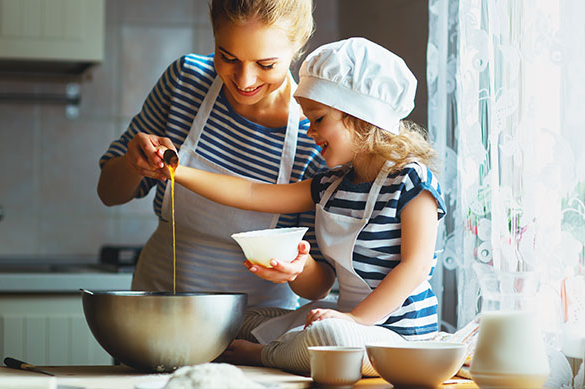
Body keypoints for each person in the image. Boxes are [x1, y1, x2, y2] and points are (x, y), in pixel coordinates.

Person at [165, 37, 446, 376]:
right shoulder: (331, 185)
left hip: (399, 340)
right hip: (346, 321)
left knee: (331, 335)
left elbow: (414, 267)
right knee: (244, 317)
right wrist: (176, 171)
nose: (310, 131)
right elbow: (253, 193)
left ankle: (263, 355)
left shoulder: (412, 181)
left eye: (318, 119)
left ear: (360, 116)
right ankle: (284, 345)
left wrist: (355, 320)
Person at [97, 0, 326, 336]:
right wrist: (134, 164)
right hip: (154, 315)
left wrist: (297, 268)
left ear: (298, 44)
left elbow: (318, 285)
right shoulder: (185, 83)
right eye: (227, 56)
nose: (244, 79)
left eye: (266, 64)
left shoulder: (316, 131)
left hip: (253, 333)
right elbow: (108, 192)